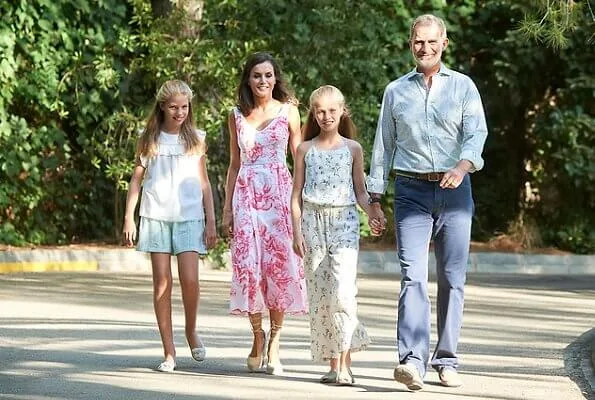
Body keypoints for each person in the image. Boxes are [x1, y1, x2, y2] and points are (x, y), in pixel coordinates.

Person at [366, 14, 488, 391]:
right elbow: (383, 146)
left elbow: (476, 134)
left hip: (455, 192)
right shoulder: (395, 91)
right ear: (410, 43)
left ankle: (447, 359)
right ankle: (412, 361)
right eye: (419, 41)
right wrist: (374, 198)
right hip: (411, 192)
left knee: (453, 278)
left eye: (432, 42)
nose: (425, 48)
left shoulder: (464, 87)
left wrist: (463, 165)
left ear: (444, 43)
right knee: (412, 277)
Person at [291, 85, 385, 385]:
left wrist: (372, 211)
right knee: (321, 296)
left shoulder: (352, 149)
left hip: (343, 220)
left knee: (343, 291)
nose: (326, 116)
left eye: (332, 110)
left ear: (342, 111)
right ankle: (333, 363)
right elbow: (296, 195)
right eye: (320, 111)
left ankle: (346, 363)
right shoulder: (305, 149)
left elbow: (360, 190)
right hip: (312, 223)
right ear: (313, 113)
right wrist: (296, 231)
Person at [122, 80, 217, 373]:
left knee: (190, 279)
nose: (180, 112)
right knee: (162, 282)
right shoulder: (148, 137)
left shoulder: (196, 138)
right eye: (174, 107)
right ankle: (169, 351)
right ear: (162, 106)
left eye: (185, 107)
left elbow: (204, 182)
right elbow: (136, 180)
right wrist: (129, 217)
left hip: (189, 216)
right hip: (155, 216)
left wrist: (211, 220)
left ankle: (191, 330)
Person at [222, 52, 308, 375]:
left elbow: (299, 161)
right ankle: (256, 335)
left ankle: (275, 339)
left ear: (276, 78)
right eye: (257, 75)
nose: (263, 81)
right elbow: (234, 164)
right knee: (249, 268)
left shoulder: (290, 113)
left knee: (278, 268)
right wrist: (227, 209)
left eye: (268, 75)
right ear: (248, 79)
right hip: (246, 196)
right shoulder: (236, 115)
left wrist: (300, 204)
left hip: (279, 197)